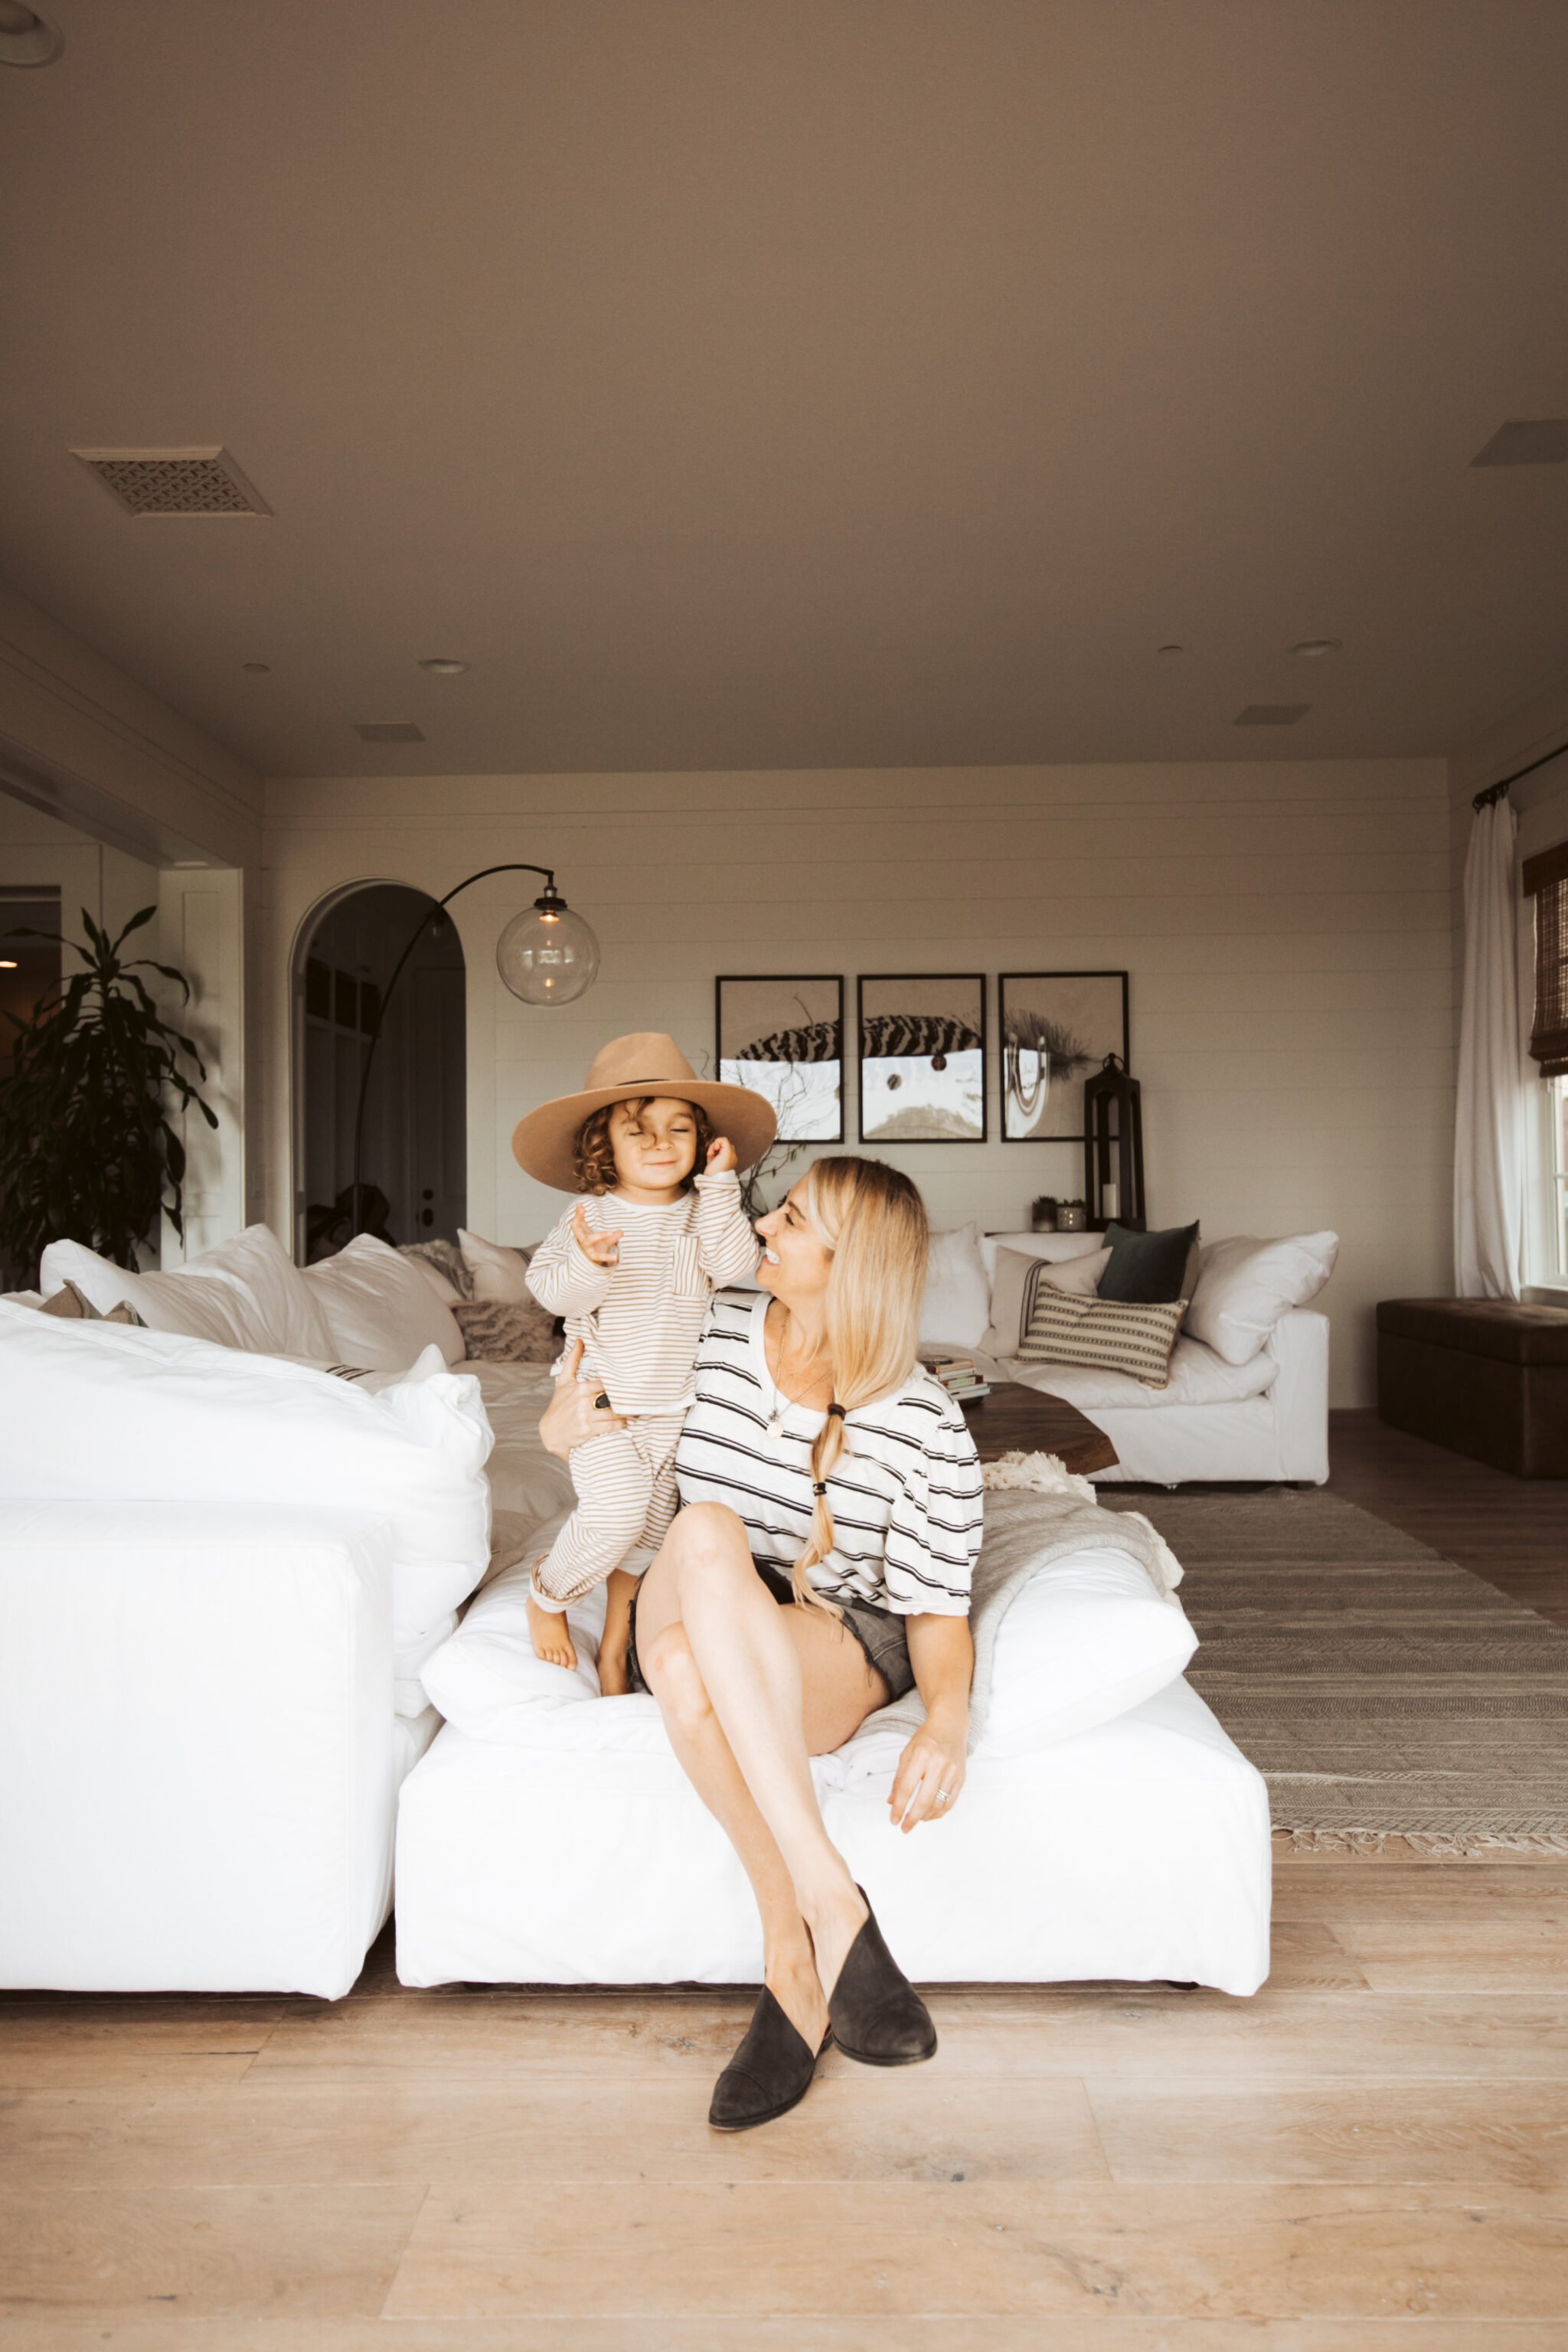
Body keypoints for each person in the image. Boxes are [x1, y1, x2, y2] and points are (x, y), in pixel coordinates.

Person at [540, 1154, 982, 2131]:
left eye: (787, 1219)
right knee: (705, 1531)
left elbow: (935, 1614)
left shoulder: (925, 1425)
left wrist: (944, 1720)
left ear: (850, 1259)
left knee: (693, 1674)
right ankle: (833, 1904)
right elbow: (605, 1407)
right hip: (687, 1586)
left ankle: (789, 1961)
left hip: (824, 1636)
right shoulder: (714, 1323)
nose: (761, 1230)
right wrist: (564, 1429)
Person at [514, 1034, 776, 1693]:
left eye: (678, 1129)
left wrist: (720, 1187)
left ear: (701, 1139)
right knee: (614, 1515)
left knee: (650, 1542)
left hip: (679, 1410)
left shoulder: (703, 1215)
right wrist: (591, 1263)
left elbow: (734, 1265)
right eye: (639, 1132)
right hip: (604, 1403)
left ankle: (613, 1648)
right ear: (605, 1145)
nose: (661, 1143)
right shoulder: (589, 1216)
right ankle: (547, 1596)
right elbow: (552, 1292)